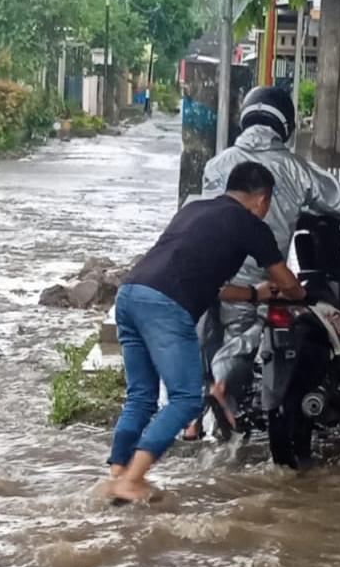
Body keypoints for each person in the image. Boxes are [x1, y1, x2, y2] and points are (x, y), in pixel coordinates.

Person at [107, 161, 305, 504]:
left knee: (140, 396)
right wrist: (300, 294)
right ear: (262, 200)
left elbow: (207, 286)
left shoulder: (194, 209)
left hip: (130, 294)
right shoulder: (251, 225)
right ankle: (133, 480)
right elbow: (287, 282)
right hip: (165, 307)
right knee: (185, 400)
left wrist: (254, 294)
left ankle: (118, 477)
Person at [198, 86, 340, 420]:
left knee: (209, 332)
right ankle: (222, 391)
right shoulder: (294, 167)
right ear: (285, 126)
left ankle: (200, 415)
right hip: (258, 273)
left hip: (209, 268)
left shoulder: (217, 164)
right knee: (245, 334)